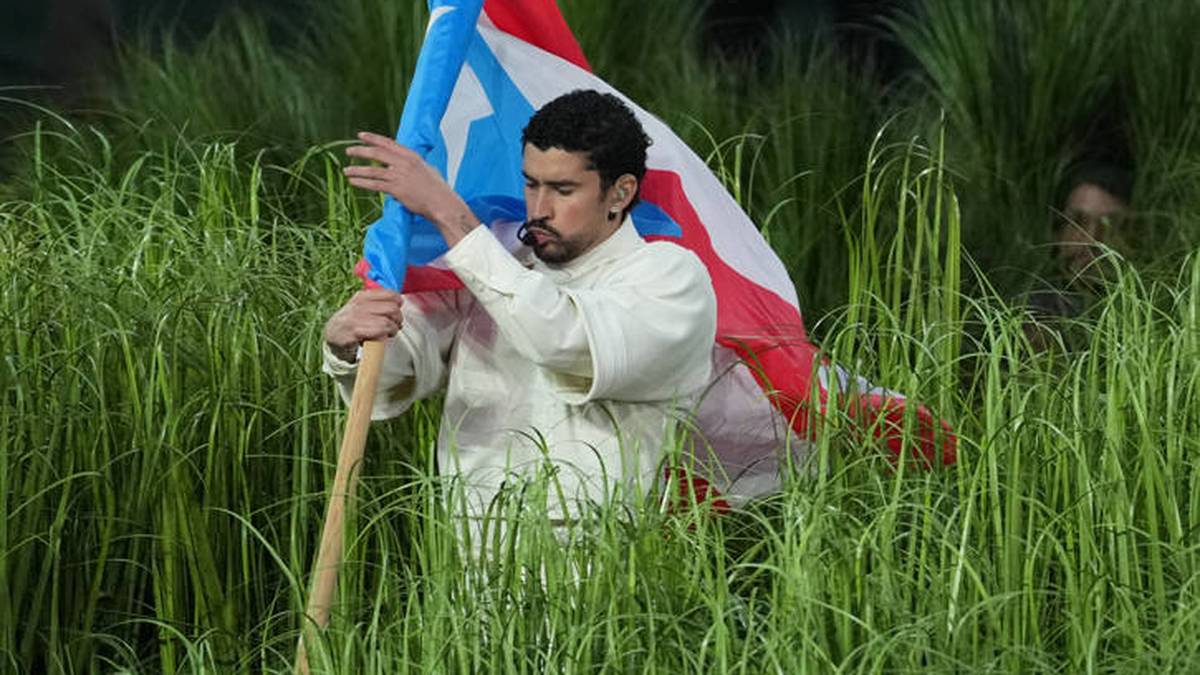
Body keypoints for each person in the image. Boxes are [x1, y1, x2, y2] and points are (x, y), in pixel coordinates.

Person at [322, 90, 717, 544]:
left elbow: (561, 339)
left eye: (563, 190)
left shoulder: (671, 279)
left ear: (621, 192)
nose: (539, 208)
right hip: (468, 552)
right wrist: (349, 343)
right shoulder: (493, 263)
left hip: (598, 565)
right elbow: (394, 372)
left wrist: (448, 214)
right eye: (531, 184)